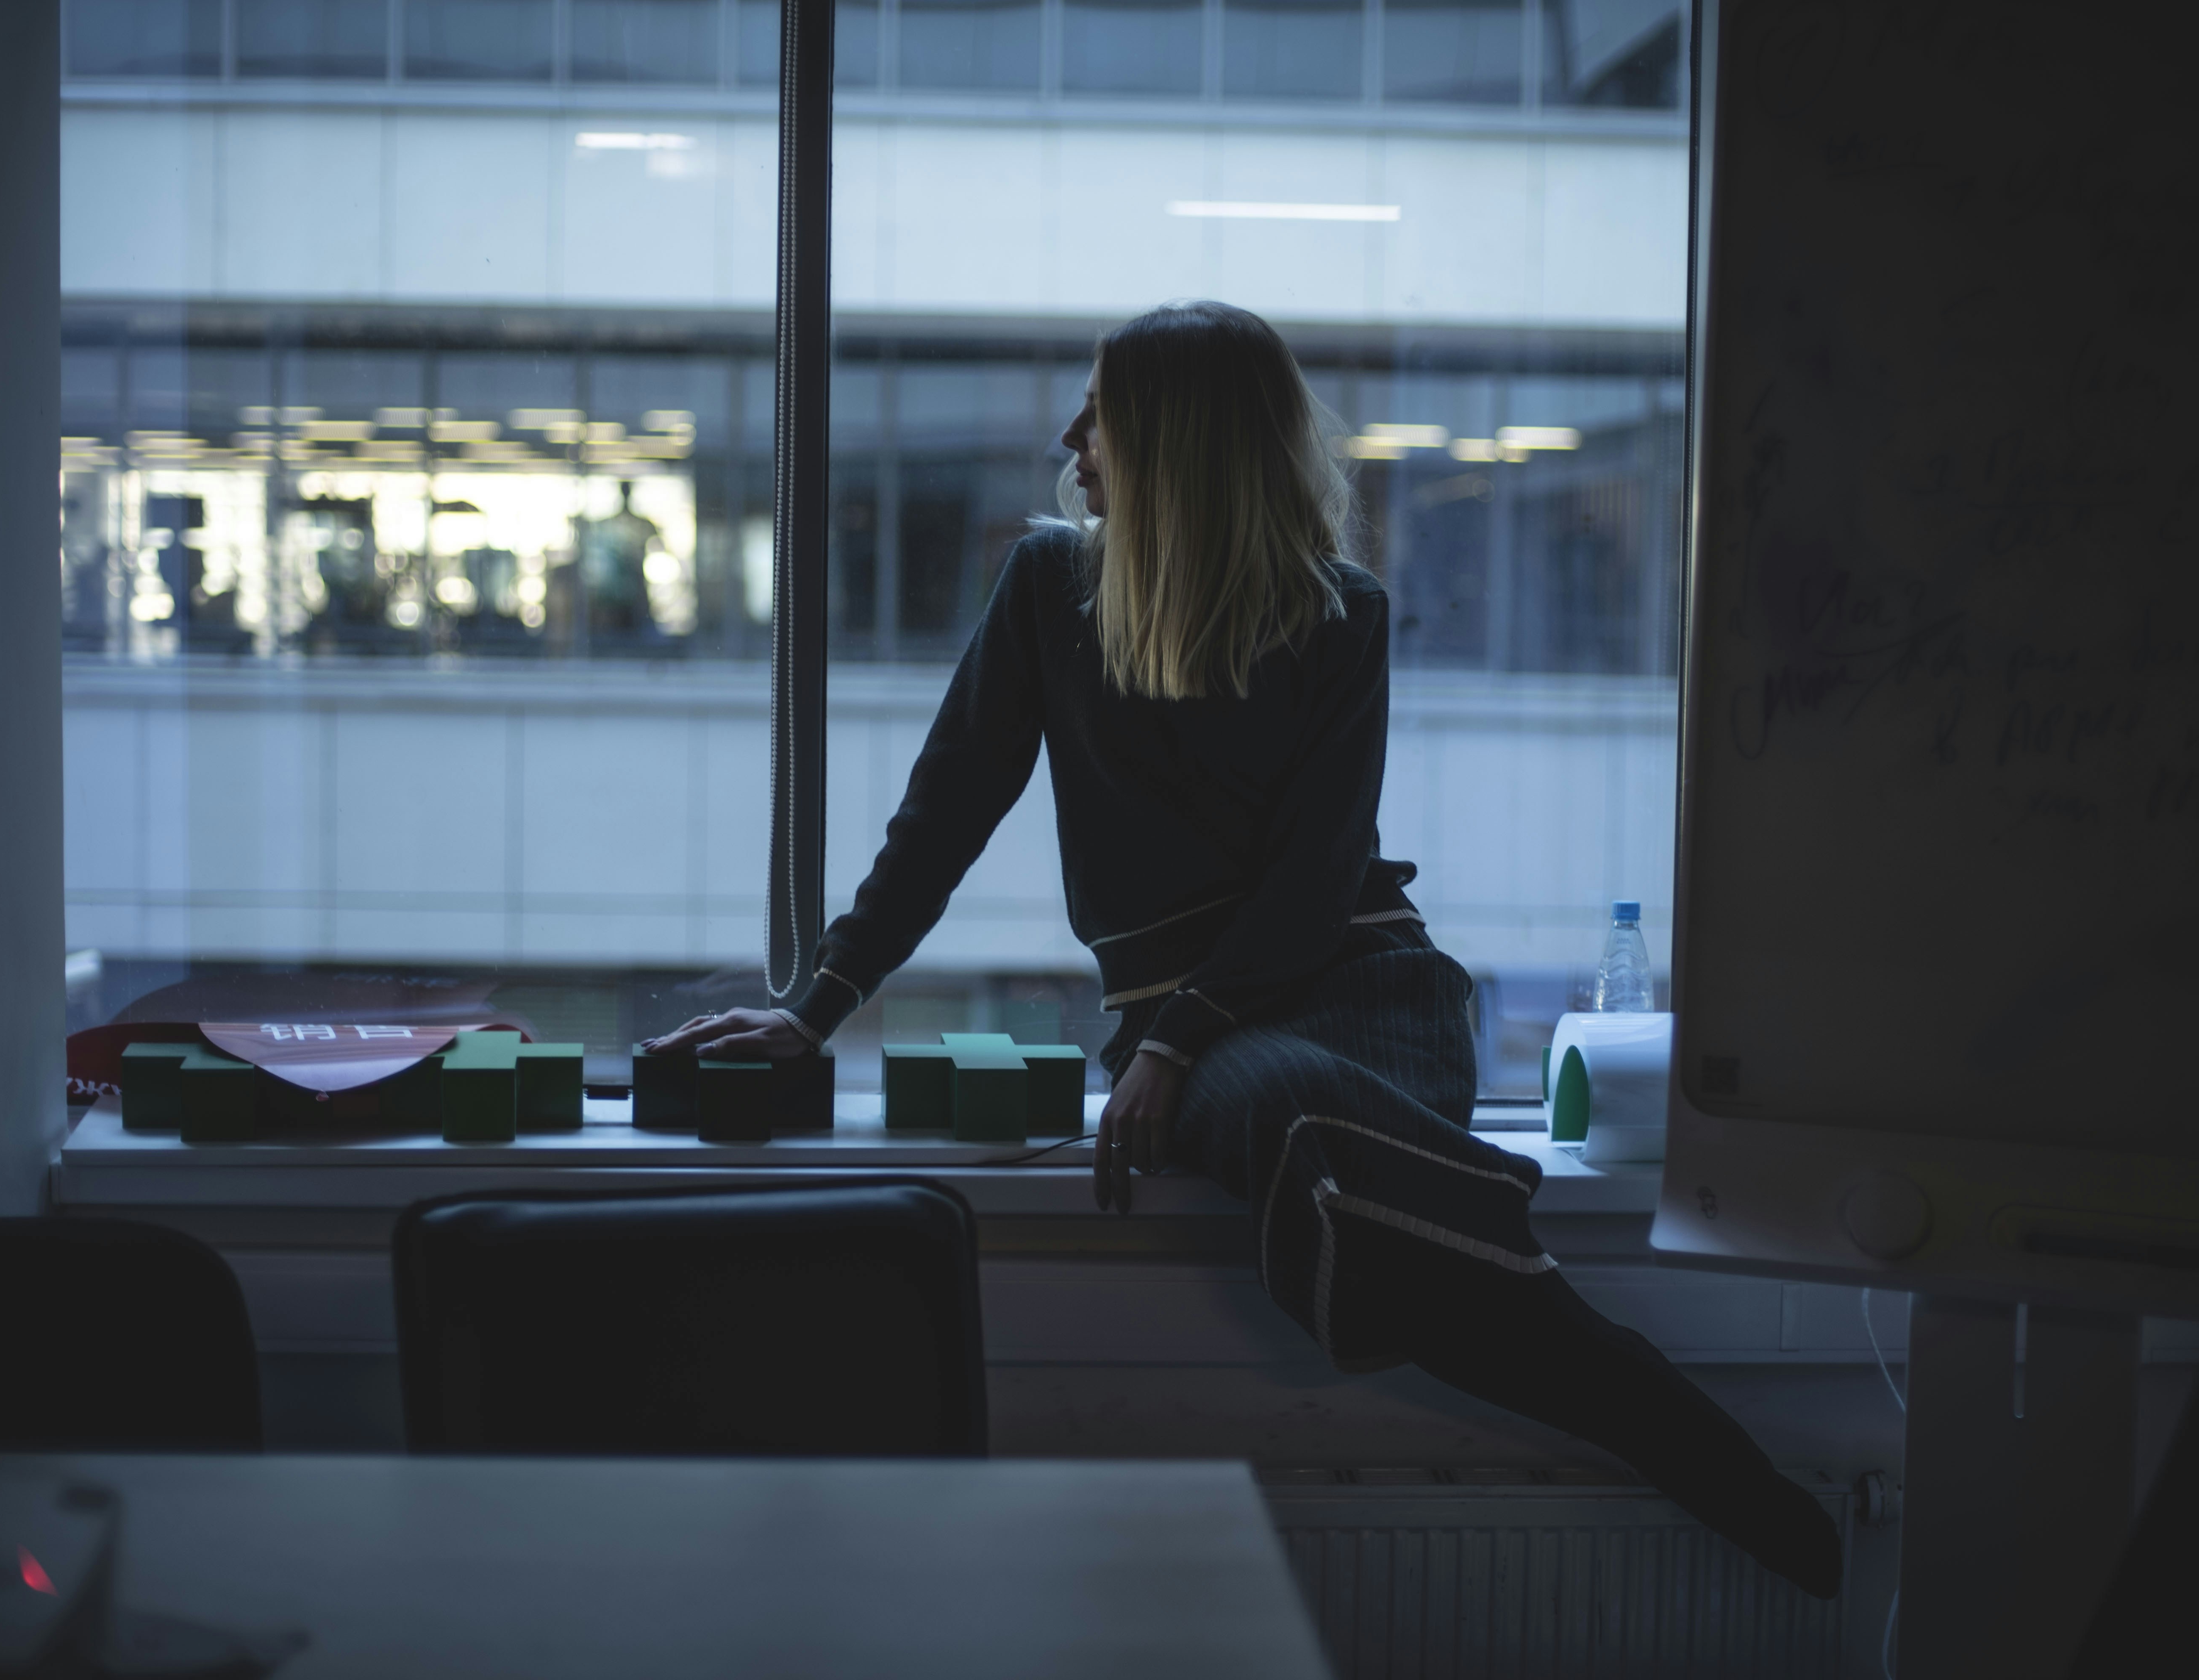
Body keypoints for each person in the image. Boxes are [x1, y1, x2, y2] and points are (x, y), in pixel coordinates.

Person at [644, 301, 1841, 1597]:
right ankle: (1687, 1435)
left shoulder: (1341, 612)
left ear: (1175, 442)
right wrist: (817, 1011)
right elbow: (941, 820)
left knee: (1294, 1110)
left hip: (1366, 993)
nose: (1070, 437)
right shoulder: (1049, 590)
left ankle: (1613, 1376)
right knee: (1283, 1108)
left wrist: (1169, 1037)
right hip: (1226, 1051)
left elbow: (1317, 884)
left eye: (1099, 411)